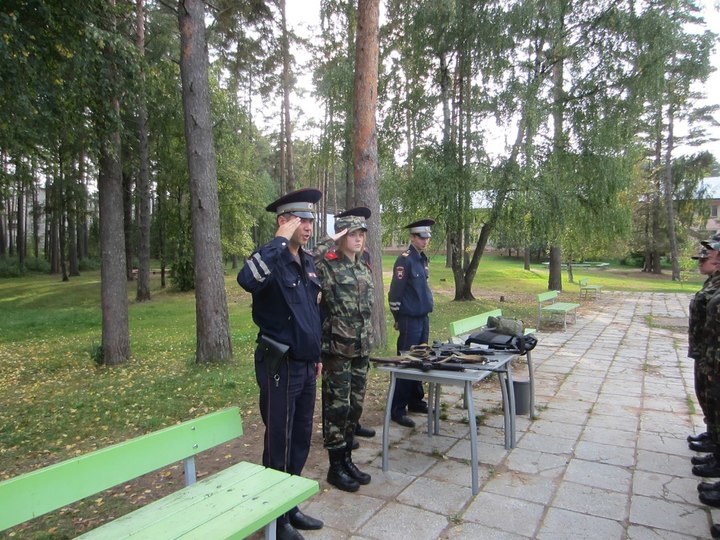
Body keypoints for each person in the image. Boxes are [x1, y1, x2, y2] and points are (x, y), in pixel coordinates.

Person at [237, 188, 324, 540]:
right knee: (279, 440)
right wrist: (276, 242)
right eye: (301, 220)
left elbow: (311, 312)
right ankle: (274, 518)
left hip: (306, 364)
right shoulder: (269, 259)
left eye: (311, 220)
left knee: (301, 437)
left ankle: (288, 506)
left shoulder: (308, 261)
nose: (308, 226)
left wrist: (317, 355)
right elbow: (246, 280)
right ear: (284, 222)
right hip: (279, 365)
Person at [314, 207, 374, 492]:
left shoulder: (363, 267)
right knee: (336, 408)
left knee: (355, 407)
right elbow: (310, 256)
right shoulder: (327, 265)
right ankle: (335, 466)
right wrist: (330, 238)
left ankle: (347, 458)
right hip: (338, 349)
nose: (359, 238)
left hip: (361, 348)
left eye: (361, 233)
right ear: (342, 236)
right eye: (352, 233)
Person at [387, 219, 435, 427]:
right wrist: (398, 318)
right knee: (406, 362)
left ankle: (416, 400)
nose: (425, 241)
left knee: (420, 359)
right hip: (409, 320)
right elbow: (395, 292)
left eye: (427, 238)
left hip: (423, 317)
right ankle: (397, 408)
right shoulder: (404, 260)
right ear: (413, 238)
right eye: (421, 238)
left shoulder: (422, 259)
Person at [688, 246, 720, 455]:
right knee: (707, 397)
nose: (700, 261)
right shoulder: (712, 282)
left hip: (713, 355)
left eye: (705, 258)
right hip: (705, 351)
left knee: (714, 400)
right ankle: (713, 437)